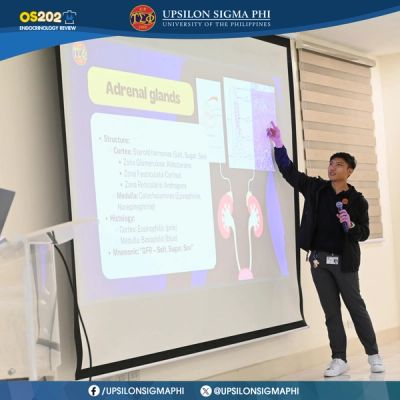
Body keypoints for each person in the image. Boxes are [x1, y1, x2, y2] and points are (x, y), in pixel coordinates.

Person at [266, 121, 385, 377]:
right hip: (318, 262)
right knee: (331, 313)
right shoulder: (316, 188)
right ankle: (339, 359)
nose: (332, 167)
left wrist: (351, 225)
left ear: (349, 171)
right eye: (330, 163)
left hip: (345, 262)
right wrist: (278, 143)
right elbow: (290, 172)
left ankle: (373, 354)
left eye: (338, 164)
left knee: (356, 308)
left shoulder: (358, 201)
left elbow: (364, 232)